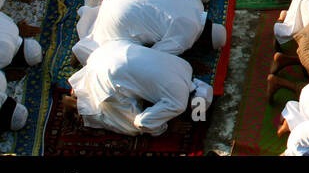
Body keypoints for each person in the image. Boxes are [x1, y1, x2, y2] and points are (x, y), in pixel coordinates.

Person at [67, 39, 213, 135]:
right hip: (107, 76)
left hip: (109, 50)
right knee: (131, 126)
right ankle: (78, 105)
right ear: (190, 105)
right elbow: (143, 123)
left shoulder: (185, 67)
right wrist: (165, 128)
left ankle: (82, 80)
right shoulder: (179, 102)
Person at [73, 0, 223, 62]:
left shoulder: (196, 3)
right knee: (114, 57)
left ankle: (95, 7)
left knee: (141, 14)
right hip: (120, 18)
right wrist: (187, 60)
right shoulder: (184, 39)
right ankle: (82, 45)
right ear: (203, 42)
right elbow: (154, 56)